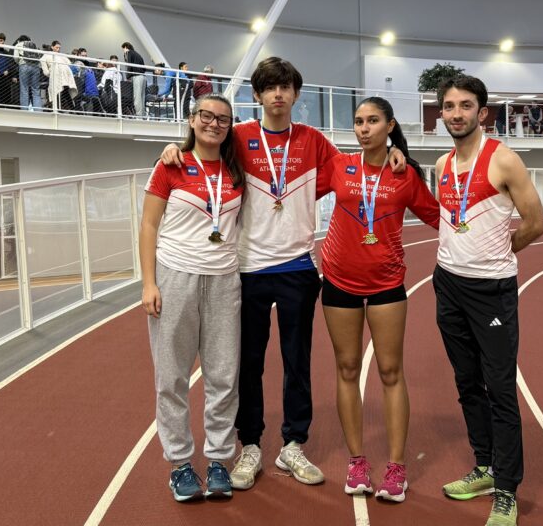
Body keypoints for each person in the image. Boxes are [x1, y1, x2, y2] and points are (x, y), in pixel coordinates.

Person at [159, 57, 406, 492]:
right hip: (247, 269)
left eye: (285, 87)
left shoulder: (313, 140)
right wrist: (173, 149)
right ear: (256, 95)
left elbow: (357, 167)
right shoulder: (236, 137)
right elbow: (202, 150)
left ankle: (293, 443)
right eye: (269, 88)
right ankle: (250, 445)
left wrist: (392, 154)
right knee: (246, 363)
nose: (278, 95)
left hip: (297, 268)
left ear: (295, 94)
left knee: (298, 362)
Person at [432, 75, 543, 526]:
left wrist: (501, 253)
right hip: (448, 284)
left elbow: (536, 222)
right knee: (466, 383)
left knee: (499, 389)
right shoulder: (441, 163)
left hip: (491, 291)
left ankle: (506, 489)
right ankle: (484, 464)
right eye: (448, 106)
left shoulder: (504, 161)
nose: (455, 113)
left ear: (482, 113)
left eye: (464, 106)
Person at [320, 96, 439, 503]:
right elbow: (294, 190)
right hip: (338, 281)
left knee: (390, 371)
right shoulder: (338, 166)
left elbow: (437, 216)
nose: (364, 127)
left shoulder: (404, 175)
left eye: (373, 120)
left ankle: (396, 467)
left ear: (390, 126)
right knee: (348, 368)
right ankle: (356, 462)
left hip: (387, 283)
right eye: (358, 121)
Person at [140, 94, 245, 502]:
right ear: (191, 119)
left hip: (223, 281)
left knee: (223, 375)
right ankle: (180, 464)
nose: (214, 124)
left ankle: (219, 459)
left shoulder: (238, 170)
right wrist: (149, 283)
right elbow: (149, 225)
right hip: (175, 277)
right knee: (172, 377)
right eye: (206, 116)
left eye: (222, 119)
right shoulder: (170, 165)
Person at [41, 40, 76, 112]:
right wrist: (50, 74)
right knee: (61, 92)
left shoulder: (61, 55)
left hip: (63, 76)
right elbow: (44, 67)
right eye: (57, 47)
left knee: (61, 92)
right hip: (59, 76)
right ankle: (71, 109)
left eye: (59, 48)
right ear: (52, 47)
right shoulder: (47, 55)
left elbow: (69, 64)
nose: (58, 49)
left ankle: (59, 109)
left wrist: (49, 74)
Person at [13, 34, 42, 110]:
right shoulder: (34, 45)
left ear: (19, 40)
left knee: (24, 89)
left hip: (24, 66)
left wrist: (19, 62)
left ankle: (24, 111)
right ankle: (38, 111)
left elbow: (16, 57)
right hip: (36, 67)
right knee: (36, 91)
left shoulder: (18, 45)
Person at [122, 42, 146, 116]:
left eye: (123, 49)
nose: (123, 51)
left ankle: (139, 116)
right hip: (143, 77)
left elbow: (129, 65)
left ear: (125, 47)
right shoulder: (137, 54)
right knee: (142, 98)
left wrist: (128, 76)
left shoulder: (129, 53)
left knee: (137, 97)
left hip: (137, 77)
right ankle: (142, 115)